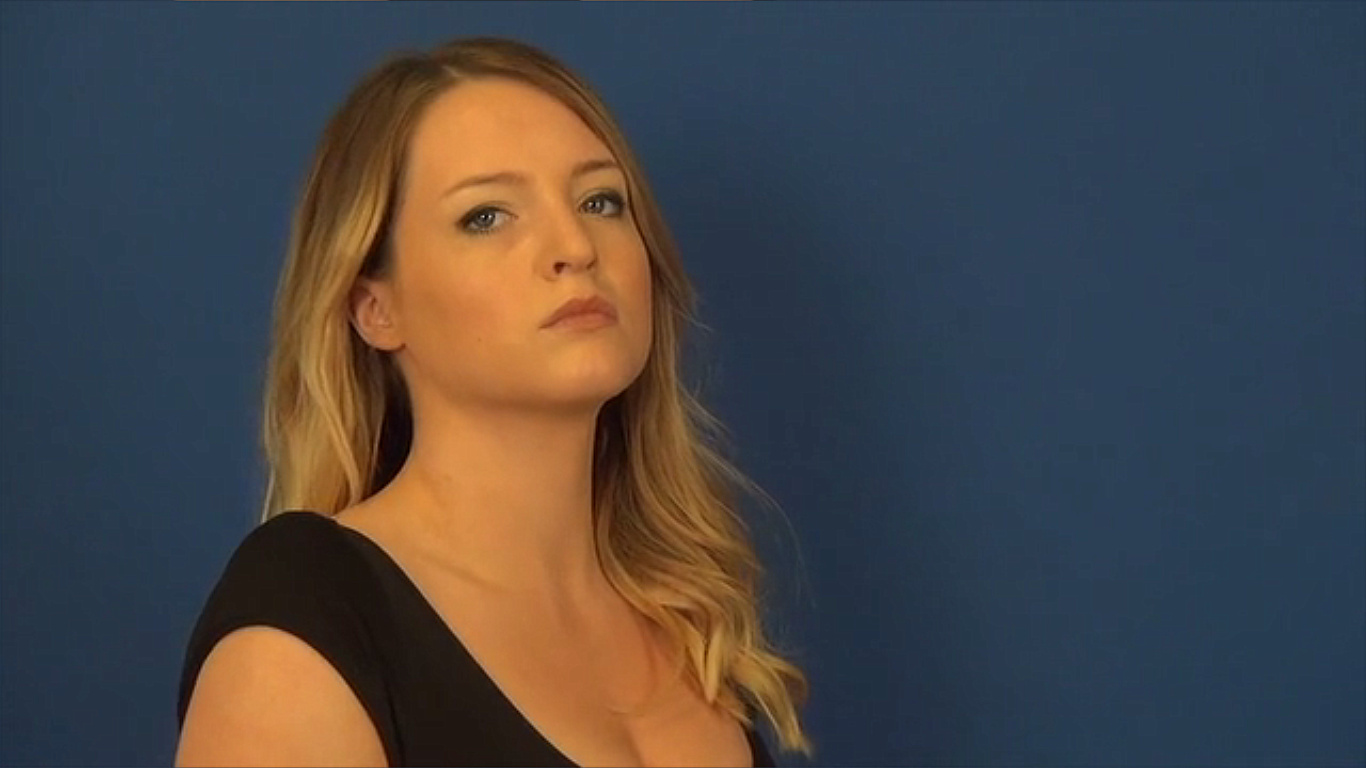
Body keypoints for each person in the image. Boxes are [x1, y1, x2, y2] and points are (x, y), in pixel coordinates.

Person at [174, 36, 812, 767]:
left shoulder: (687, 625)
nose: (575, 245)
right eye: (486, 216)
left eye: (601, 201)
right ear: (375, 309)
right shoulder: (313, 611)